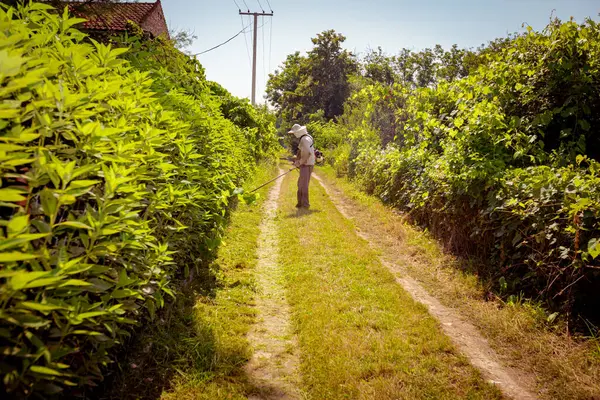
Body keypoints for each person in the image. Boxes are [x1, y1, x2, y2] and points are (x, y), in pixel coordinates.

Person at [288, 124, 315, 209]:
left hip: (307, 164)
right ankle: (300, 203)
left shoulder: (305, 139)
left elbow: (307, 153)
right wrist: (296, 160)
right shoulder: (303, 138)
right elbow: (300, 151)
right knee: (300, 184)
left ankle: (305, 204)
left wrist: (300, 162)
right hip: (305, 164)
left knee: (303, 185)